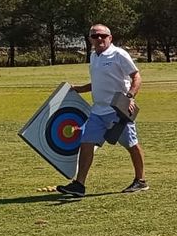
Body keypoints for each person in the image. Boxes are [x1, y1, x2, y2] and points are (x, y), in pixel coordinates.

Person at [55, 24, 147, 197]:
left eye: (103, 36)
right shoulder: (93, 57)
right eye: (95, 36)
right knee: (86, 143)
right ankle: (79, 185)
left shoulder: (119, 54)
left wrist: (130, 96)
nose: (99, 39)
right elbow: (97, 82)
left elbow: (136, 76)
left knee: (131, 144)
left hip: (117, 110)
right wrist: (78, 89)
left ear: (110, 38)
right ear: (90, 39)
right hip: (98, 111)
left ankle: (140, 181)